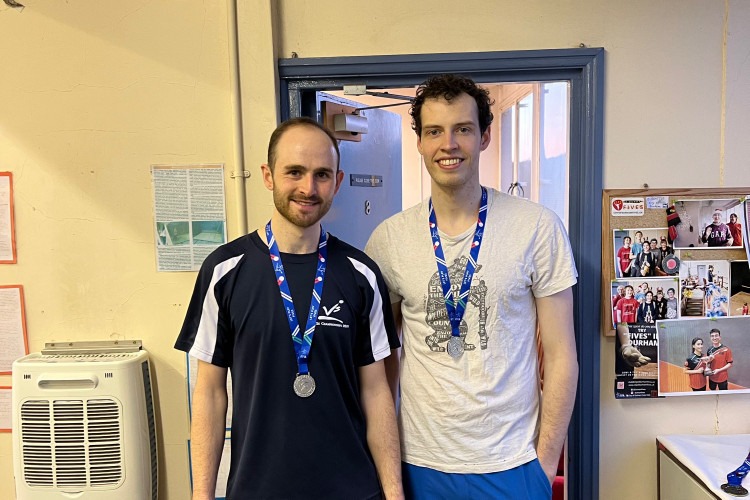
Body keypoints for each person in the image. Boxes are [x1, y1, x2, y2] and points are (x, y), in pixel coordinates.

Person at [365, 74, 578, 498]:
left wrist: (544, 464)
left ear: (484, 136)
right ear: (419, 142)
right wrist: (389, 472)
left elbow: (561, 356)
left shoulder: (536, 227)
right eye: (434, 131)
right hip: (420, 463)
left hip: (513, 464)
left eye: (462, 129)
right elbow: (379, 367)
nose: (448, 144)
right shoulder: (389, 240)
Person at [175, 118, 403, 499]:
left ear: (338, 182)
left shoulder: (361, 274)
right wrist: (202, 494)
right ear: (268, 176)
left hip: (353, 490)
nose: (308, 188)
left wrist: (394, 493)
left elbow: (377, 391)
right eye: (294, 172)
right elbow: (210, 393)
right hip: (257, 489)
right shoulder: (224, 271)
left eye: (322, 175)